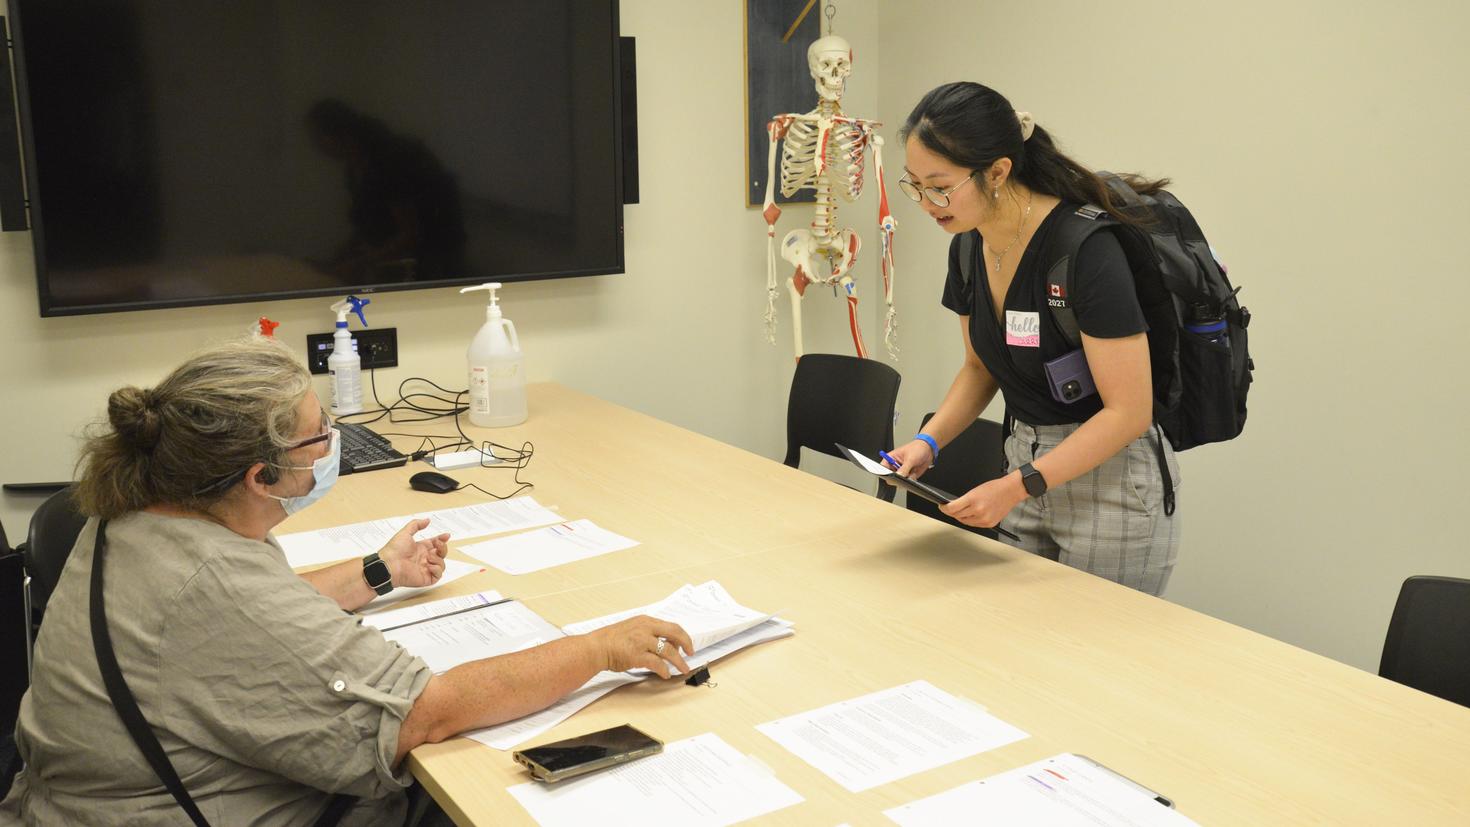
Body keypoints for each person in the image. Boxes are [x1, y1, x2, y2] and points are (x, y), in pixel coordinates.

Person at [0, 337, 693, 825]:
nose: (332, 443)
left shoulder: (140, 511)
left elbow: (235, 624)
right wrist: (600, 648)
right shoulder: (213, 578)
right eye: (318, 436)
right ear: (259, 476)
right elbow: (429, 709)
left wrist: (376, 571)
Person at [885, 82, 1181, 596]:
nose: (928, 204)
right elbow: (980, 368)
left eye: (941, 186)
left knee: (1091, 657)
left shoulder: (1085, 250)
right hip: (1022, 465)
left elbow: (1129, 411)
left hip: (1110, 484)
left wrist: (1019, 484)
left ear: (997, 171)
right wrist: (928, 442)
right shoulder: (968, 247)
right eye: (915, 186)